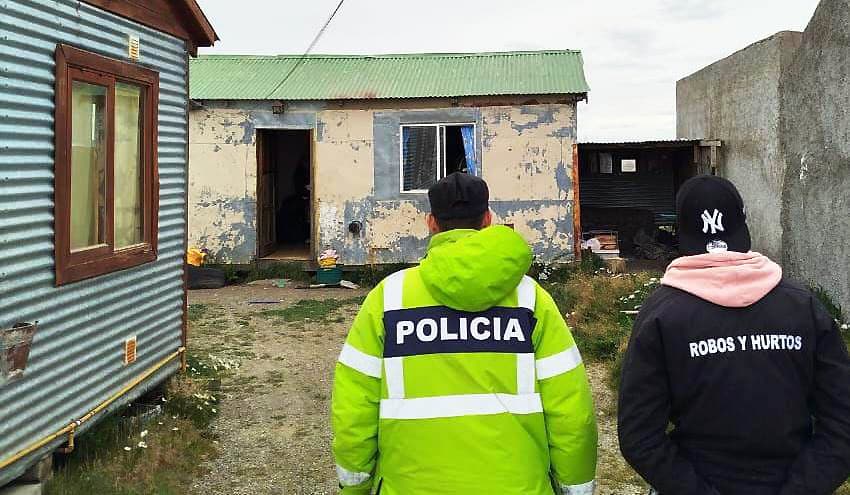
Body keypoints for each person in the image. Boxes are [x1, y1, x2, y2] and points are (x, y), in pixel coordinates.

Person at [331, 172, 598, 494]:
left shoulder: (389, 298)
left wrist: (355, 486)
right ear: (487, 219)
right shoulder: (531, 299)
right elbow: (571, 412)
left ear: (431, 223)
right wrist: (576, 488)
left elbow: (353, 409)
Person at [617, 175, 850, 495]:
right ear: (743, 225)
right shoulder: (803, 306)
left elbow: (639, 436)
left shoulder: (661, 314)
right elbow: (842, 424)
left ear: (682, 234)